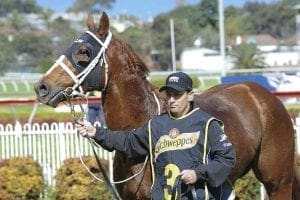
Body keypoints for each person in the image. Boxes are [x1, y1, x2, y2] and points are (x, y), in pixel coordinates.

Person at [75, 72, 236, 199]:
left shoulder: (207, 124)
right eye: (169, 94)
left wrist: (198, 174)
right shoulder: (156, 125)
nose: (171, 100)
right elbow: (128, 142)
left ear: (190, 95)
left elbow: (227, 159)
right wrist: (96, 132)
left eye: (177, 95)